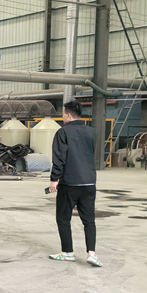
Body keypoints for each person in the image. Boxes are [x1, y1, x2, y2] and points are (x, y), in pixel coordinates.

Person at [48, 100, 102, 267]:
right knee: (89, 220)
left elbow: (59, 158)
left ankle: (68, 253)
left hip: (69, 183)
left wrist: (54, 179)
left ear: (69, 115)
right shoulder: (91, 132)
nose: (62, 117)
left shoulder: (62, 132)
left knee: (63, 218)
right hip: (89, 182)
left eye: (63, 114)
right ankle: (92, 254)